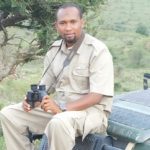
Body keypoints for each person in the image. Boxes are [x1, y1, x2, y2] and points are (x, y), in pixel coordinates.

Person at [0, 3, 114, 150]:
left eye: (73, 22)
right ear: (56, 25)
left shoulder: (98, 51)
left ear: (82, 22)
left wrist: (61, 108)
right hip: (60, 111)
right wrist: (32, 101)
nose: (68, 28)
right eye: (63, 23)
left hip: (91, 113)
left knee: (59, 121)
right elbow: (45, 88)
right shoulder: (54, 51)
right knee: (9, 114)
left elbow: (96, 96)